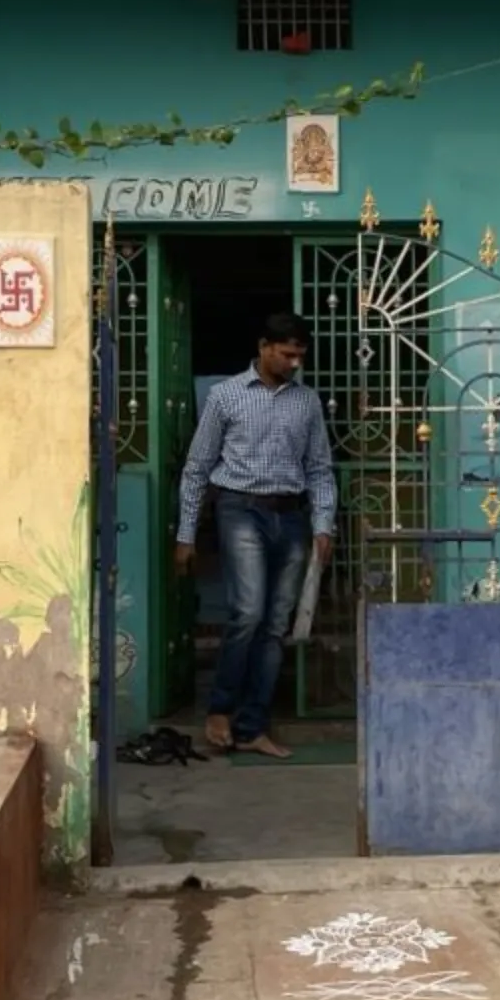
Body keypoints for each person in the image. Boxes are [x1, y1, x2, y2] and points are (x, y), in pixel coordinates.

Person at [174, 312, 335, 758]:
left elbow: (320, 468)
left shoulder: (307, 402)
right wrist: (185, 534)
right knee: (247, 612)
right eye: (287, 354)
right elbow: (197, 468)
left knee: (276, 623)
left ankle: (252, 726)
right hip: (239, 509)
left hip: (292, 515)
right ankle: (220, 709)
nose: (295, 362)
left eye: (300, 355)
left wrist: (323, 524)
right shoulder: (225, 397)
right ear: (264, 348)